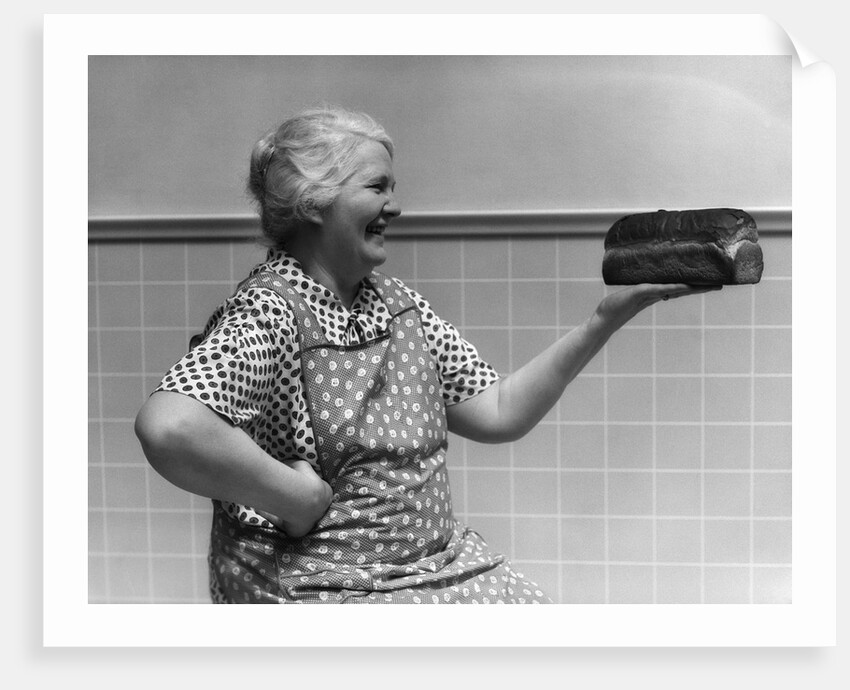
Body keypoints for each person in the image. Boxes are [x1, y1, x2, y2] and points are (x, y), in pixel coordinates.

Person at [134, 106, 719, 604]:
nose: (396, 204)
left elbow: (498, 411)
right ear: (313, 202)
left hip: (432, 569)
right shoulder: (271, 310)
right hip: (324, 584)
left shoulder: (396, 303)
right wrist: (297, 496)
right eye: (377, 186)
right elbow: (171, 426)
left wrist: (605, 318)